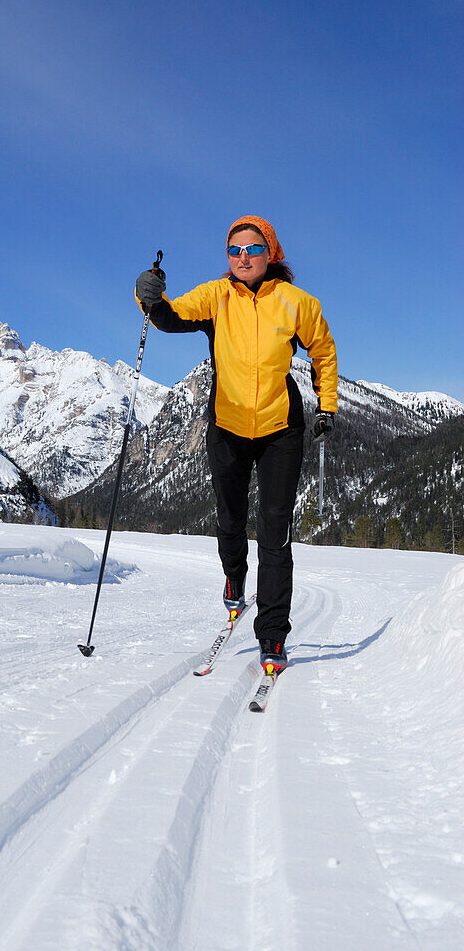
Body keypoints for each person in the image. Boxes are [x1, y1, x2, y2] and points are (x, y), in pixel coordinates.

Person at [135, 215, 337, 673]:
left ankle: (272, 635)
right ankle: (233, 579)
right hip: (226, 427)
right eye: (234, 250)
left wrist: (328, 406)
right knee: (230, 520)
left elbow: (322, 351)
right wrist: (147, 295)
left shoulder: (296, 302)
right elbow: (167, 317)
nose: (242, 257)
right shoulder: (215, 297)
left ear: (271, 253)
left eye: (251, 249)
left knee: (274, 533)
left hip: (280, 430)